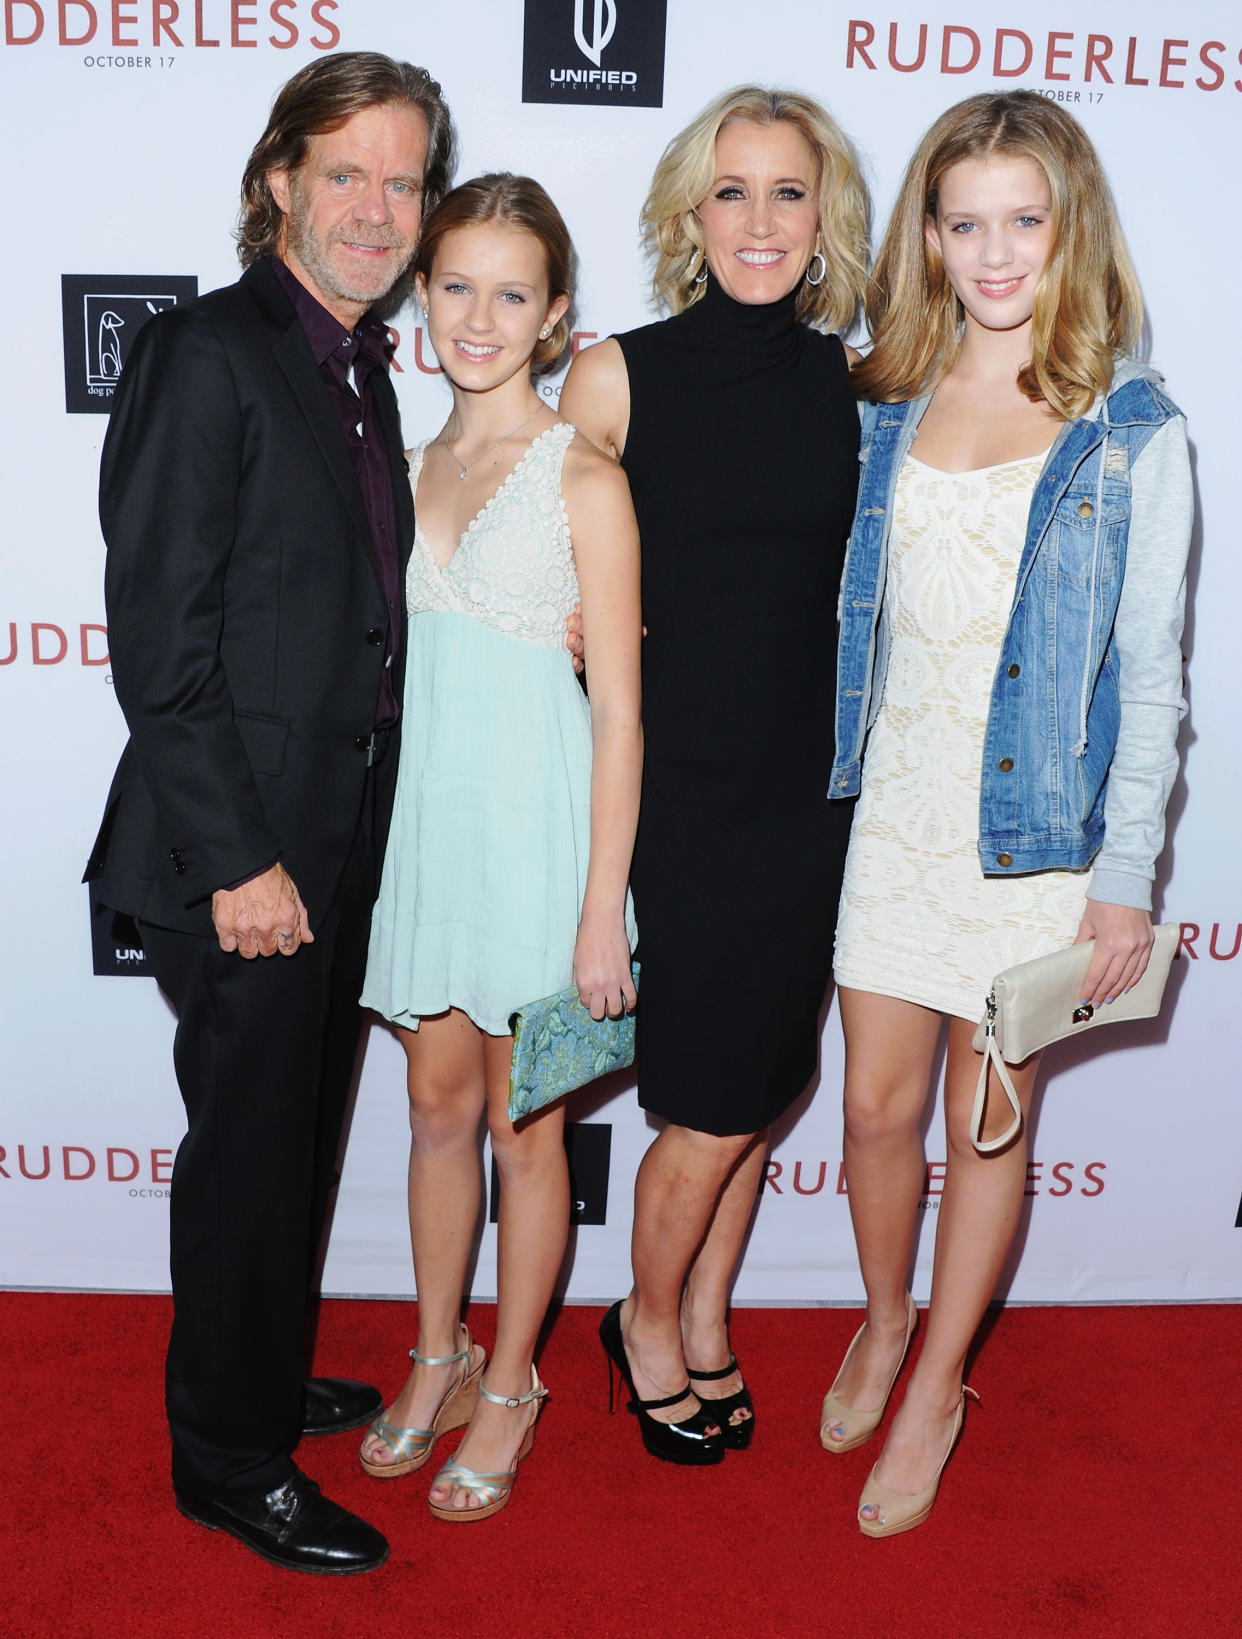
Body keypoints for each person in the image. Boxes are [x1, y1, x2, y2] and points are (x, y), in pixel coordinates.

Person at [82, 53, 454, 1574]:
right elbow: (157, 642)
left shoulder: (355, 367)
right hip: (235, 851)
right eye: (347, 172)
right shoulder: (209, 352)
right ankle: (229, 1461)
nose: (378, 207)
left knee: (291, 1147)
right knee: (247, 1156)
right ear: (281, 181)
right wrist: (241, 860)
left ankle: (252, 1372)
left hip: (334, 839)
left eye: (405, 179)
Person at [824, 90, 1191, 1537]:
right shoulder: (877, 397)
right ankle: (878, 1311)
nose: (993, 253)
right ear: (926, 232)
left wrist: (1126, 880)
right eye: (964, 221)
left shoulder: (1132, 433)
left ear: (1068, 229)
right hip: (883, 811)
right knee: (869, 1109)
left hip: (1035, 835)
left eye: (1021, 222)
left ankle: (931, 1385)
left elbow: (1152, 682)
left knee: (984, 1126)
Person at [560, 86, 869, 1462]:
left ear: (823, 218)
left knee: (766, 1085)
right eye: (731, 192)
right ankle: (638, 1320)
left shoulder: (853, 383)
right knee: (708, 1095)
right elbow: (524, 556)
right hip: (679, 788)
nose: (760, 220)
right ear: (692, 214)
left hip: (812, 790)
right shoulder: (616, 374)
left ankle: (702, 1322)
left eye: (787, 192)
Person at [357, 174, 642, 1519]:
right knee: (432, 1113)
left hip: (542, 849)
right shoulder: (403, 464)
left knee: (528, 1142)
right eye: (455, 285)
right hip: (431, 838)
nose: (478, 316)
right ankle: (438, 1353)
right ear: (421, 296)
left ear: (555, 317)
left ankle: (515, 1379)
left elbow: (624, 713)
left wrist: (600, 911)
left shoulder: (585, 474)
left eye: (510, 293)